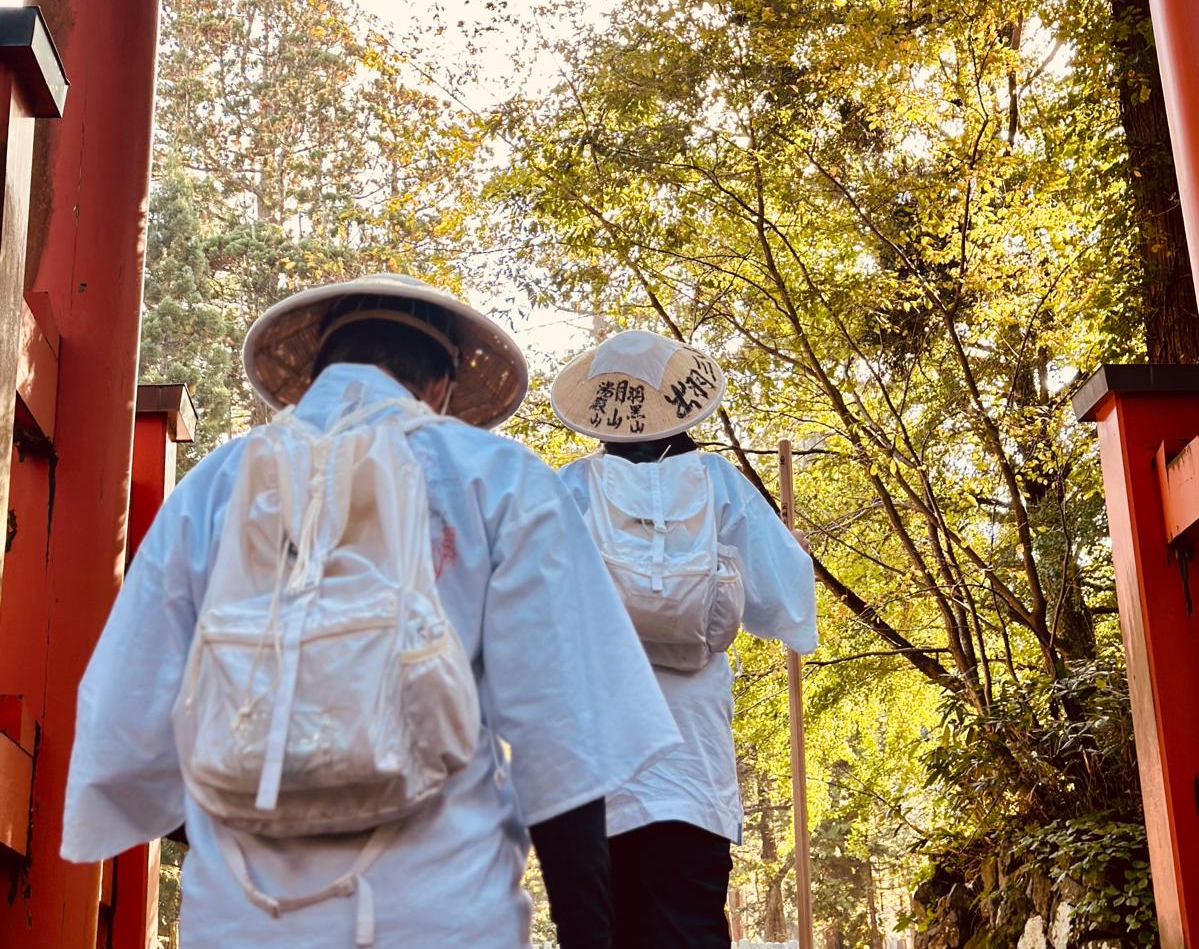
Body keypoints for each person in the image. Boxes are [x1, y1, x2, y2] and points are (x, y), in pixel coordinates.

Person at [62, 276, 681, 949]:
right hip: (442, 909)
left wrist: (250, 811)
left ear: (317, 371)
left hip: (243, 916)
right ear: (441, 385)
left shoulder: (217, 484)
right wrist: (588, 934)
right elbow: (562, 737)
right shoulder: (499, 478)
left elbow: (128, 728)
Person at [552, 328, 817, 949]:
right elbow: (785, 600)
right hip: (691, 761)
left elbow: (529, 612)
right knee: (690, 921)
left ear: (605, 408)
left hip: (599, 765)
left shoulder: (572, 487)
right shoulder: (718, 484)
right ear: (679, 404)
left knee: (603, 931)